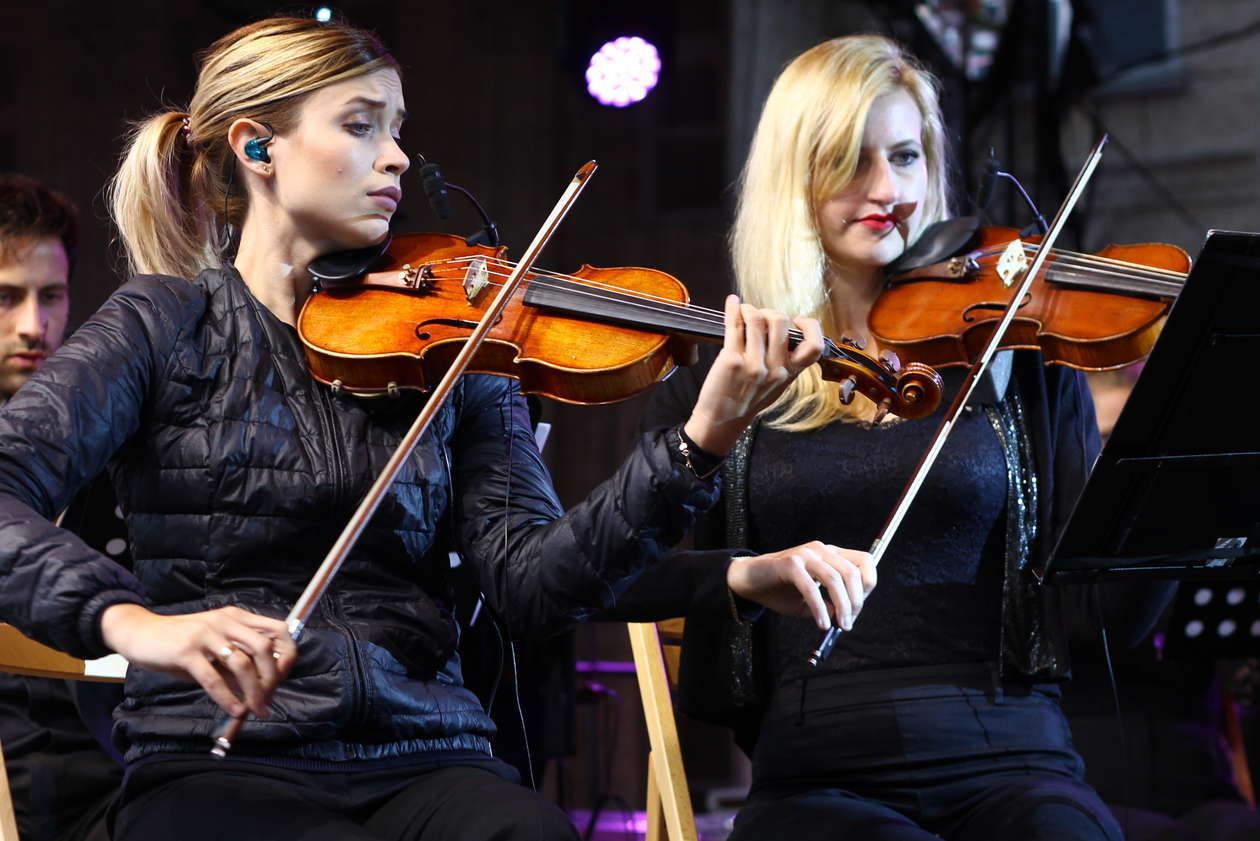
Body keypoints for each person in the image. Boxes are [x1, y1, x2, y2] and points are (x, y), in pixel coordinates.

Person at [0, 16, 866, 841]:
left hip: (426, 749)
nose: (398, 157)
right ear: (258, 148)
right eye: (360, 126)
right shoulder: (163, 324)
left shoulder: (458, 343)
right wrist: (133, 621)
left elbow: (534, 583)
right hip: (219, 756)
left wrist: (697, 443)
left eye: (397, 128)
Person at [610, 35, 1173, 841]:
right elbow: (612, 576)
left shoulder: (1018, 359)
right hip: (816, 770)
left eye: (906, 157)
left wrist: (1168, 468)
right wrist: (744, 572)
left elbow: (1101, 612)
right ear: (793, 180)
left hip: (1013, 756)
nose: (888, 190)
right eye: (851, 161)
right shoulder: (727, 382)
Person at [0, 173, 124, 841]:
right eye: (5, 297)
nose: (33, 326)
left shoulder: (107, 439)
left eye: (51, 296)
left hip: (117, 763)